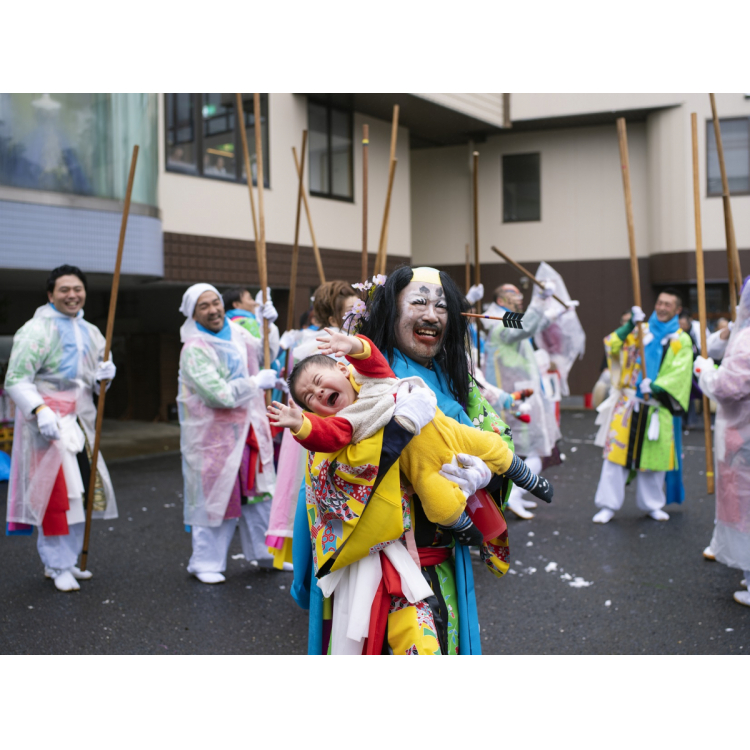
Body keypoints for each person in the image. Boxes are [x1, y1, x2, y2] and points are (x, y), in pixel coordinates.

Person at [290, 266, 523, 655]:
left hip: (444, 556)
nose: (431, 315)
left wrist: (488, 474)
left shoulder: (458, 380)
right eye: (418, 303)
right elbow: (322, 472)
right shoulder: (352, 379)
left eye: (442, 307)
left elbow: (499, 439)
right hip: (374, 564)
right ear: (391, 312)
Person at [270, 329, 551, 536]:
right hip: (419, 471)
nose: (318, 392)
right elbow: (327, 435)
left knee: (493, 446)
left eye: (319, 382)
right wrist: (301, 425)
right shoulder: (348, 420)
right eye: (310, 398)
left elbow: (370, 359)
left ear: (344, 369)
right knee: (440, 505)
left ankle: (530, 480)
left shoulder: (369, 378)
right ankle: (468, 534)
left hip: (450, 431)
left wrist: (353, 344)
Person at [5, 265, 118, 592]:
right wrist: (39, 410)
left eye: (78, 289)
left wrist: (106, 378)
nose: (72, 295)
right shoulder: (35, 330)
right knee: (54, 496)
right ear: (51, 293)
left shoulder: (93, 332)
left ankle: (67, 560)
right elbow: (15, 379)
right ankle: (56, 565)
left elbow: (97, 385)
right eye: (65, 289)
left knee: (79, 491)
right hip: (47, 425)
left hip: (79, 422)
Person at [177, 283, 287, 584]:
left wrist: (269, 325)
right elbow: (219, 396)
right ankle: (205, 562)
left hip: (250, 430)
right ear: (193, 314)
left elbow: (267, 352)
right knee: (216, 498)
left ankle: (268, 554)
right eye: (204, 306)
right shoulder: (194, 350)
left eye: (215, 302)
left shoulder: (237, 333)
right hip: (213, 439)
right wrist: (255, 383)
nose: (213, 309)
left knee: (260, 493)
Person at [264, 281, 360, 571]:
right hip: (325, 440)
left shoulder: (369, 345)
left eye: (361, 312)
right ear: (332, 320)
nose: (359, 319)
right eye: (350, 314)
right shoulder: (311, 349)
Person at [592, 289, 693, 524]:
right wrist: (629, 326)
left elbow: (681, 372)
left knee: (654, 461)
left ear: (677, 309)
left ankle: (652, 505)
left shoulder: (682, 339)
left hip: (658, 407)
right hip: (628, 404)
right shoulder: (641, 330)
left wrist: (656, 387)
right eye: (659, 302)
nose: (662, 307)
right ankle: (608, 505)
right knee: (614, 458)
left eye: (668, 304)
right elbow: (613, 345)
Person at [482, 281, 566, 519]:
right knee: (528, 447)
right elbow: (524, 328)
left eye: (520, 294)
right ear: (500, 301)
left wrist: (552, 313)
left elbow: (529, 326)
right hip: (514, 398)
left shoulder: (506, 318)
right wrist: (540, 302)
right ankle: (513, 496)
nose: (519, 297)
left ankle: (515, 495)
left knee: (529, 447)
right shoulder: (498, 321)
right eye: (513, 294)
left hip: (522, 393)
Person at [696, 282, 750, 583]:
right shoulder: (740, 334)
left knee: (743, 507)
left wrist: (705, 372)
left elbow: (727, 388)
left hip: (743, 437)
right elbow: (719, 345)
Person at [222, 286, 280, 362]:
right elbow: (265, 355)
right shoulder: (249, 322)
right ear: (236, 305)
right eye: (249, 299)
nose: (254, 302)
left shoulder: (225, 323)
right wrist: (268, 325)